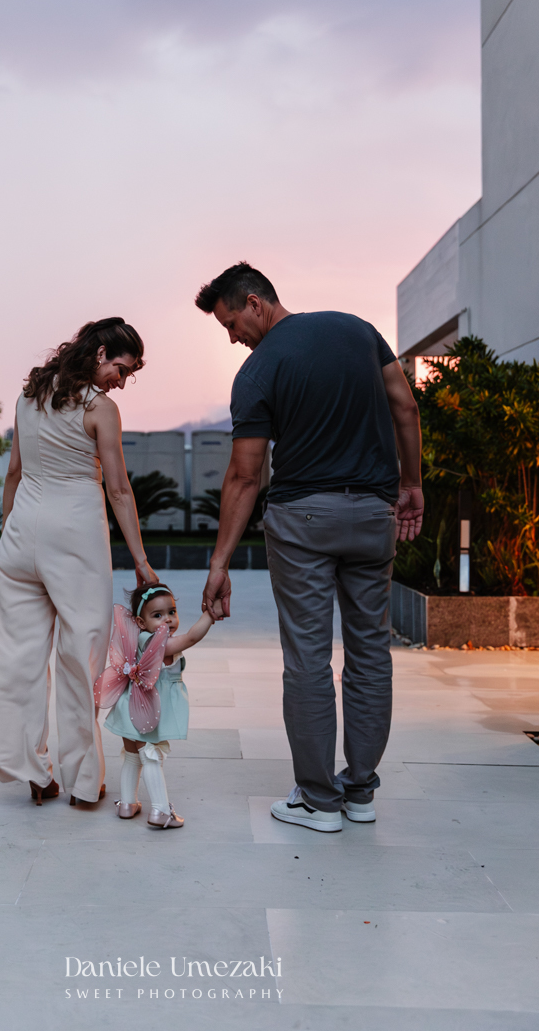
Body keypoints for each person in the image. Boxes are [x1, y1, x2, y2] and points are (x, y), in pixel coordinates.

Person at [195, 262, 423, 833]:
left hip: (303, 521)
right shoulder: (357, 330)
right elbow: (406, 407)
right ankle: (361, 792)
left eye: (229, 323)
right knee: (371, 650)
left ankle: (319, 802)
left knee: (307, 658)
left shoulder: (258, 371)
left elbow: (246, 476)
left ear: (254, 302)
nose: (231, 337)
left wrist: (219, 563)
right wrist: (411, 483)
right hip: (374, 514)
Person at [0, 317, 157, 811]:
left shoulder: (28, 397)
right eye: (122, 369)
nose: (121, 382)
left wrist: (9, 536)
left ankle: (33, 773)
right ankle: (84, 783)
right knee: (80, 659)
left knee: (17, 659)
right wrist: (142, 562)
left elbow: (14, 473)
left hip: (21, 535)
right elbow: (119, 489)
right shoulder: (100, 409)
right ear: (101, 353)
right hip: (75, 536)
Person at [94, 583, 214, 829]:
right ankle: (160, 810)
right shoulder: (159, 644)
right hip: (146, 709)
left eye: (171, 612)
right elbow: (191, 637)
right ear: (140, 621)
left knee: (131, 754)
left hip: (129, 705)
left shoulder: (138, 639)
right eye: (157, 615)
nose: (168, 620)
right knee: (150, 755)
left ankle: (128, 804)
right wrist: (210, 616)